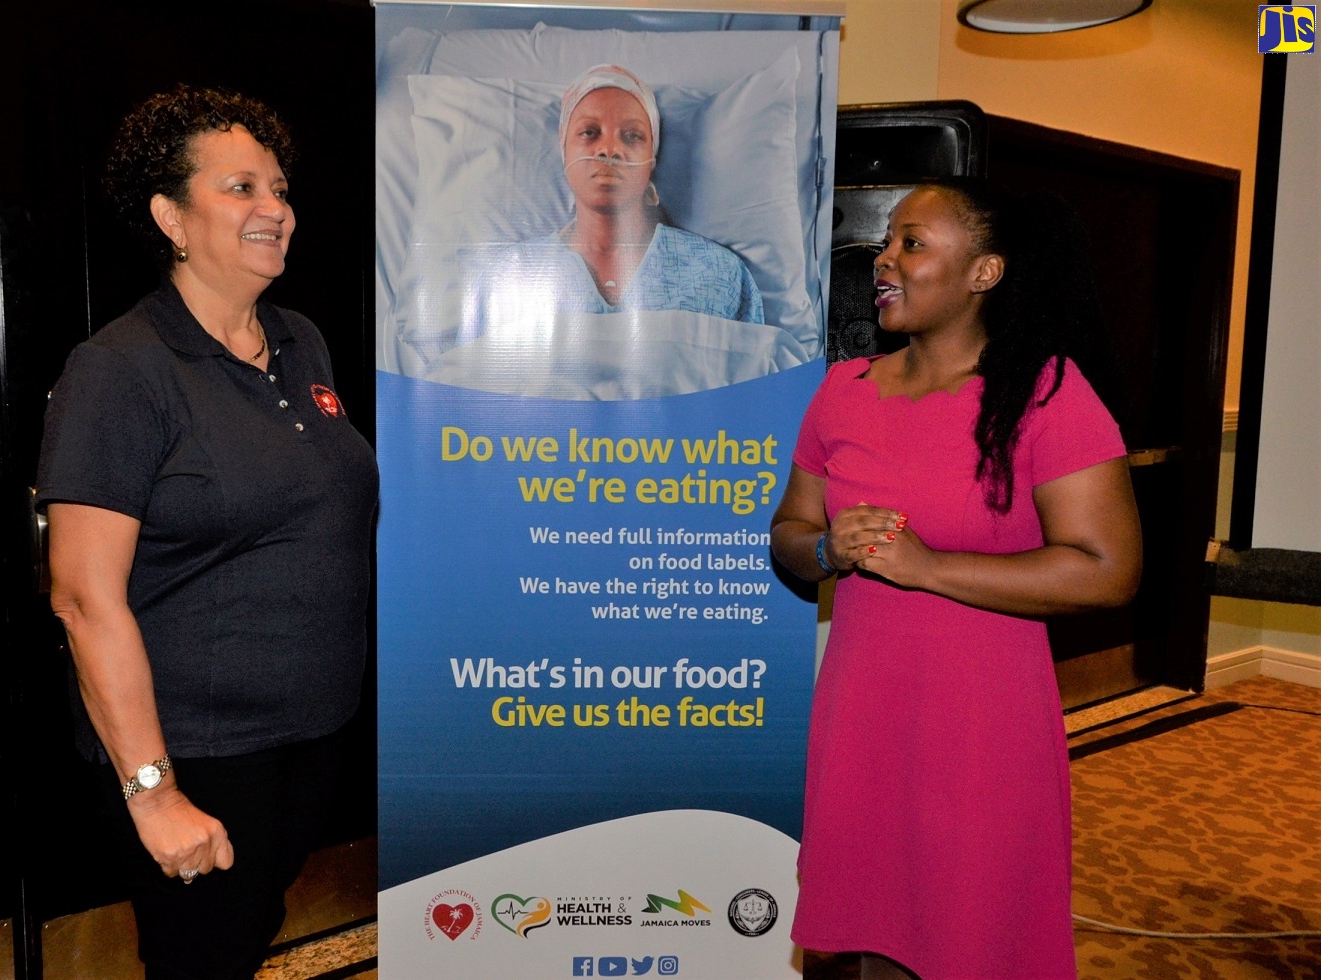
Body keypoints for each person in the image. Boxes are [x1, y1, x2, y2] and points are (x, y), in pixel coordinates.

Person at [36, 85, 377, 980]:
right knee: (203, 963)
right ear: (170, 217)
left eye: (278, 188)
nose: (274, 209)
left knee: (243, 940)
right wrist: (154, 794)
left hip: (308, 742)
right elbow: (80, 596)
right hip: (196, 755)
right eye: (239, 189)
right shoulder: (119, 371)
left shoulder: (300, 341)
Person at [771, 179, 1141, 980]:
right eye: (886, 242)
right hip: (864, 708)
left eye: (912, 242)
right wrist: (829, 550)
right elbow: (788, 537)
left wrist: (929, 567)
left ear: (983, 272)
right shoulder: (844, 390)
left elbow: (1107, 571)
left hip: (980, 722)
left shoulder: (1045, 391)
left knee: (967, 936)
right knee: (870, 934)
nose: (883, 259)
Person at [462, 64, 764, 338]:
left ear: (652, 159)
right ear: (565, 151)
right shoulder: (509, 278)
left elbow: (754, 387)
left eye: (632, 136)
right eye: (590, 133)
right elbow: (470, 385)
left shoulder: (719, 275)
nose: (609, 150)